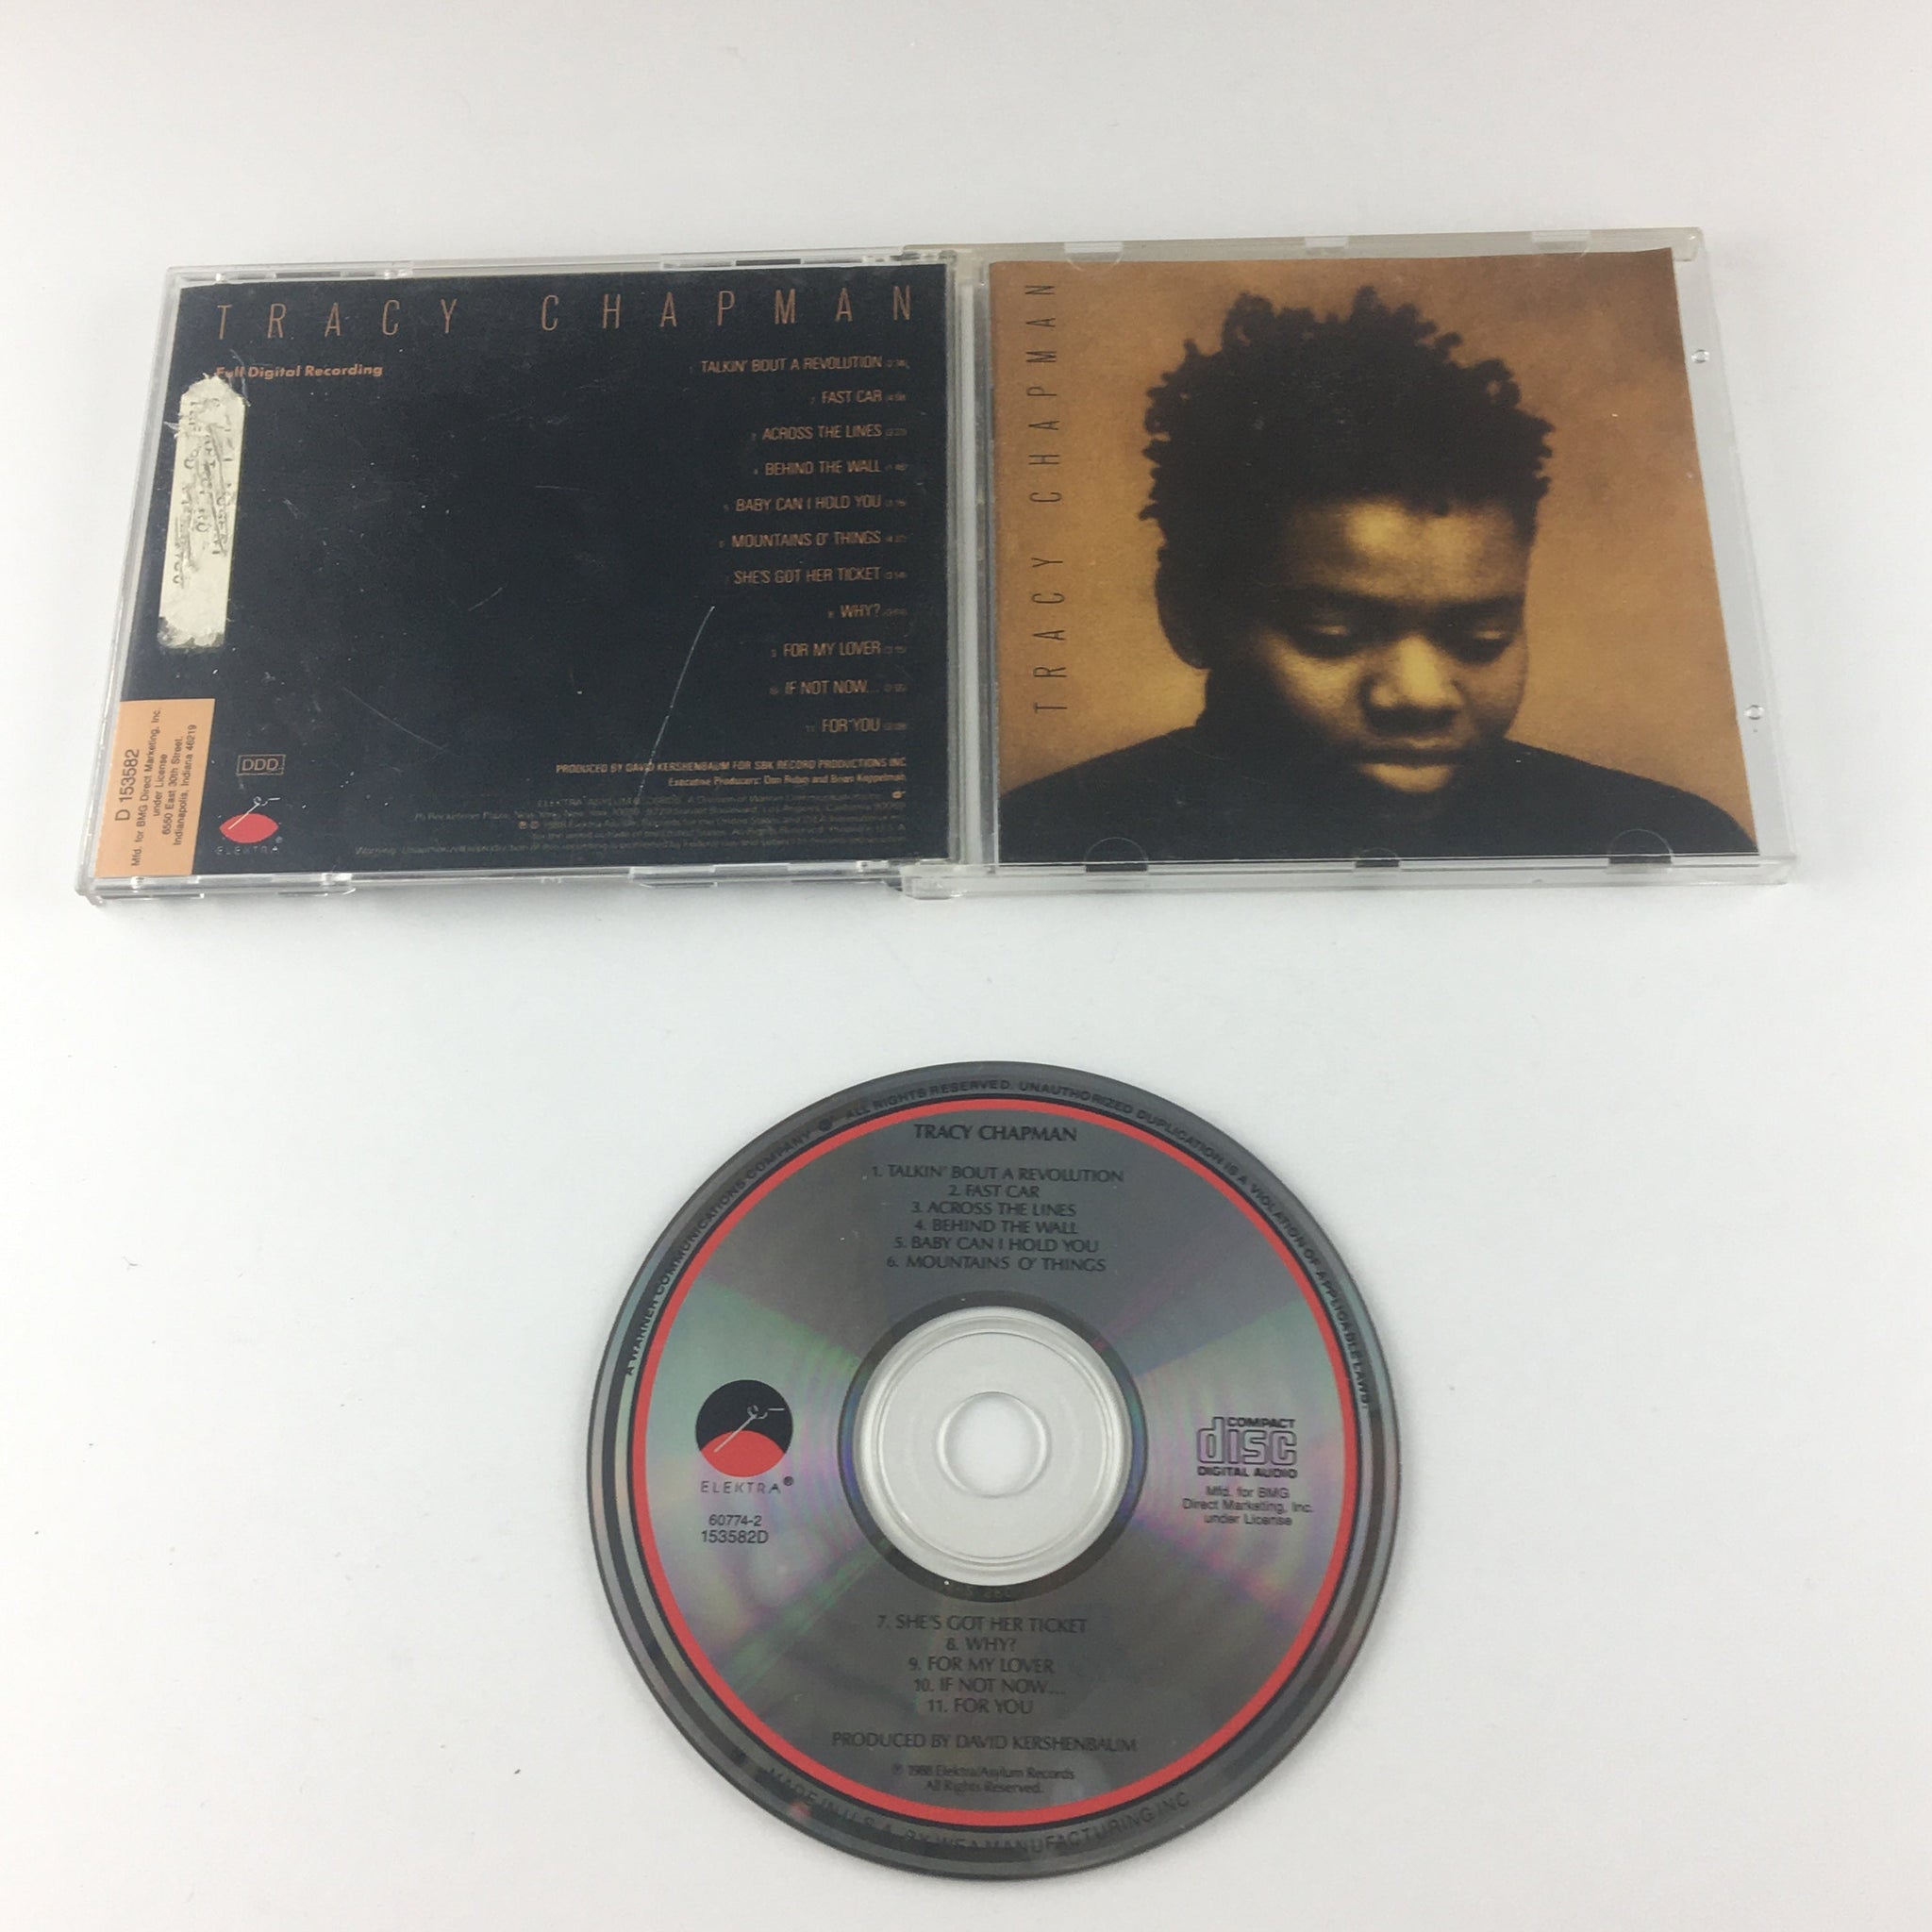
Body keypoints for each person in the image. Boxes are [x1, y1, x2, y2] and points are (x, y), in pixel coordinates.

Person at [998, 289, 1755, 864]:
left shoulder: (1666, 841)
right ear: (1190, 614)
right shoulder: (1043, 842)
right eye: (1333, 635)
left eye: (1482, 638)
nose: (1420, 695)